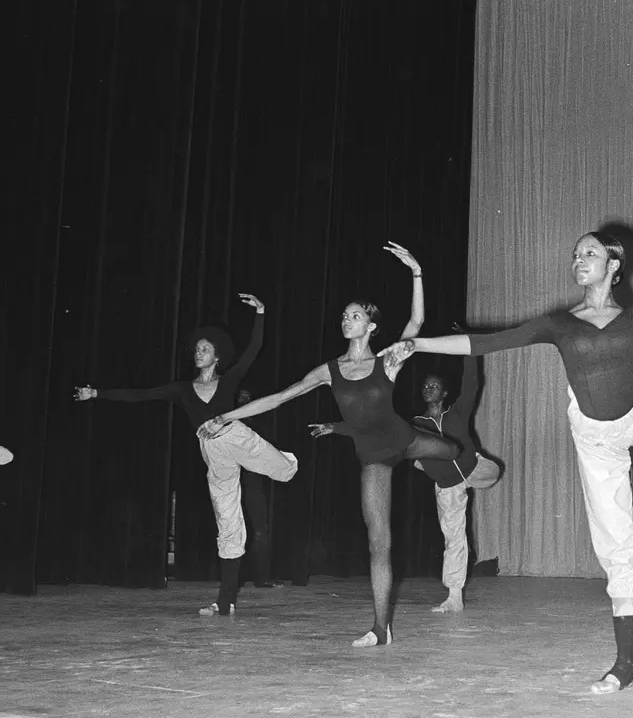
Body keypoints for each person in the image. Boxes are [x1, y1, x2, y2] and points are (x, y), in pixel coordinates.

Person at [376, 141, 633, 694]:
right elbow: (489, 340)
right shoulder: (558, 323)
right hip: (595, 437)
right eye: (576, 253)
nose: (579, 259)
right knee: (617, 543)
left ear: (614, 266)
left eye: (590, 252)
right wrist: (420, 344)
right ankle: (626, 662)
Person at [197, 243, 460, 647]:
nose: (346, 320)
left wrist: (417, 272)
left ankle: (455, 464)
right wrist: (228, 416)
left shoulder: (387, 360)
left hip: (405, 439)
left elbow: (415, 323)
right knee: (379, 540)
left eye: (355, 316)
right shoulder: (329, 370)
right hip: (375, 458)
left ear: (371, 326)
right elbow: (281, 396)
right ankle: (380, 627)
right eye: (344, 315)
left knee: (454, 452)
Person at [74, 293, 298, 616]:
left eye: (205, 349)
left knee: (285, 470)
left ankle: (288, 462)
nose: (199, 352)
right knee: (228, 524)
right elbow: (141, 395)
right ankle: (226, 601)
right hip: (213, 451)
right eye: (196, 349)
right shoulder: (182, 389)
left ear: (217, 358)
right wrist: (96, 392)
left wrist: (261, 312)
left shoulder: (229, 379)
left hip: (236, 436)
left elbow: (253, 350)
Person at [410, 356, 502, 612]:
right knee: (454, 538)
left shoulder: (457, 413)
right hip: (448, 484)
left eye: (434, 386)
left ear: (444, 392)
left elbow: (472, 384)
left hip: (473, 469)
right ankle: (454, 596)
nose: (429, 389)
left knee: (483, 468)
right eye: (425, 387)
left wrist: (470, 350)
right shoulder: (417, 424)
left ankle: (472, 464)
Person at [235, 387, 286, 589]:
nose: (246, 399)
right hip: (239, 480)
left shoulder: (253, 423)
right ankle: (247, 577)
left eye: (249, 396)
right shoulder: (233, 422)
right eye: (242, 397)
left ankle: (260, 576)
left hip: (251, 480)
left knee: (257, 529)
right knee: (247, 530)